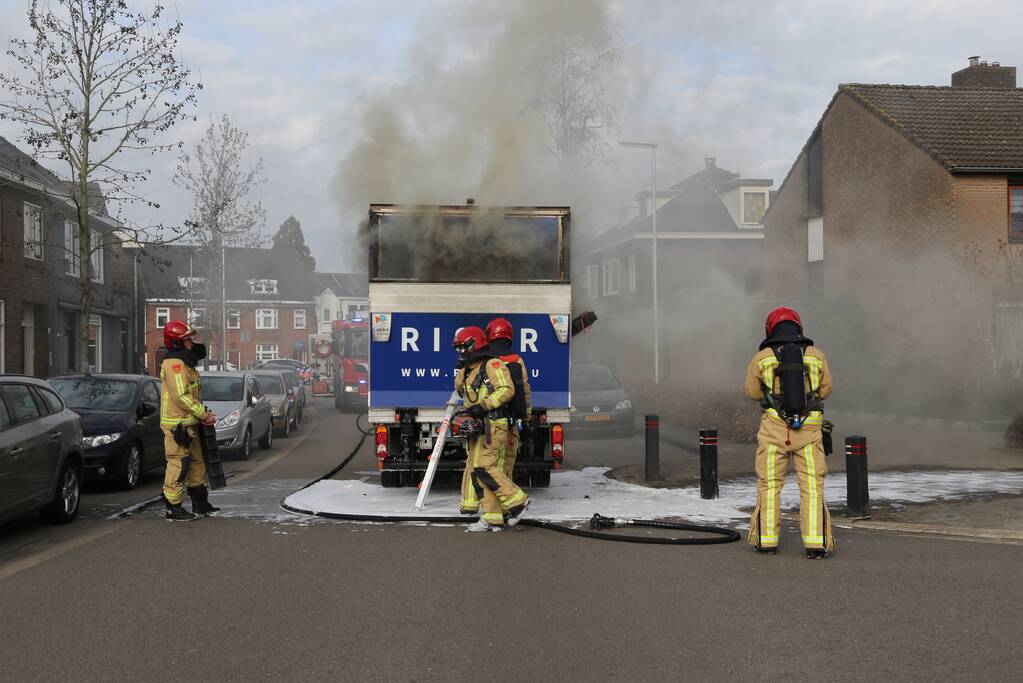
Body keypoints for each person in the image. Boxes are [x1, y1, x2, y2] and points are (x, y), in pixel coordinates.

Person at [744, 307, 834, 558]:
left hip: (774, 432)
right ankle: (816, 544)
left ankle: (766, 541)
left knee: (770, 485)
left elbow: (751, 391)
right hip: (809, 432)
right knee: (812, 487)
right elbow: (826, 389)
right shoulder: (816, 355)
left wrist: (773, 397)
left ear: (770, 329)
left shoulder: (762, 357)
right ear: (799, 327)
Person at [453, 326, 529, 532]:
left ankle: (517, 500)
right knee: (478, 468)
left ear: (474, 344)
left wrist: (483, 406)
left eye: (463, 347)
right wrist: (462, 370)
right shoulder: (470, 368)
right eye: (458, 348)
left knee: (485, 467)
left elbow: (507, 390)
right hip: (479, 426)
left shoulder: (493, 364)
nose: (460, 352)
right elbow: (461, 391)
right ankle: (492, 517)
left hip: (493, 424)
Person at [160, 320, 219, 521]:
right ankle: (173, 507)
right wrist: (204, 414)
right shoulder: (175, 364)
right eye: (187, 340)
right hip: (177, 425)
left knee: (197, 462)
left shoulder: (185, 362)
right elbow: (181, 396)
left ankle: (200, 503)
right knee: (178, 464)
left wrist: (200, 416)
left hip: (189, 423)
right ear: (177, 342)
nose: (191, 344)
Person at [484, 317, 532, 489]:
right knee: (506, 462)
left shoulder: (484, 360)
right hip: (510, 423)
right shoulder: (516, 360)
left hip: (487, 423)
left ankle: (485, 501)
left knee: (486, 462)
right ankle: (506, 500)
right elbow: (523, 391)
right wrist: (525, 417)